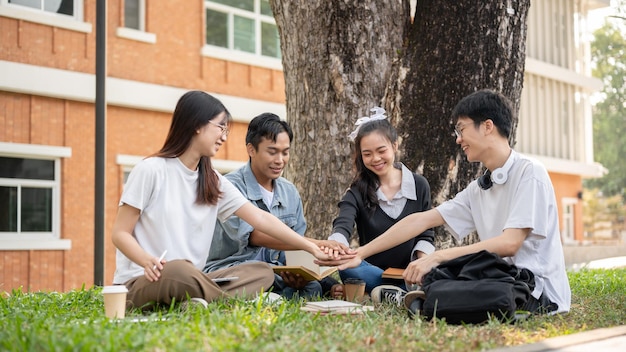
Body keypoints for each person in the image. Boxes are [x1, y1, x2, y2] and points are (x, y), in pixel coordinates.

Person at [325, 90, 571, 315]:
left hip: (535, 292)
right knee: (438, 274)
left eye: (461, 130)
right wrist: (360, 253)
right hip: (496, 279)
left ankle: (412, 299)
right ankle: (411, 296)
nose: (458, 139)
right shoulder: (480, 188)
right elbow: (422, 220)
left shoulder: (530, 172)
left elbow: (510, 244)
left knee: (442, 270)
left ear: (487, 126)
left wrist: (437, 256)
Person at [111, 91, 333, 310]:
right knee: (179, 271)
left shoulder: (212, 180)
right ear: (197, 125)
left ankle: (194, 301)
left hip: (193, 278)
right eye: (221, 127)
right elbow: (120, 233)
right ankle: (210, 298)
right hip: (144, 280)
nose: (224, 137)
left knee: (261, 273)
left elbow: (260, 218)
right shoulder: (151, 170)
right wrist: (146, 260)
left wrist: (311, 247)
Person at [204, 113, 346, 299]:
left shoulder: (289, 192)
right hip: (235, 268)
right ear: (251, 149)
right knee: (262, 274)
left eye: (285, 152)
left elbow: (293, 248)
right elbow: (256, 236)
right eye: (272, 152)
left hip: (276, 271)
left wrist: (298, 274)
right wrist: (317, 245)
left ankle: (278, 293)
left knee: (311, 288)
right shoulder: (230, 185)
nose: (280, 160)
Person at [327, 107, 436, 304]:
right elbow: (342, 225)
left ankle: (384, 293)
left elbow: (426, 235)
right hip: (369, 270)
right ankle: (399, 293)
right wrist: (337, 247)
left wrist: (422, 266)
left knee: (438, 270)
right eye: (367, 154)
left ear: (394, 145)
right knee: (350, 267)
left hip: (409, 272)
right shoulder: (357, 191)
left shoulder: (419, 185)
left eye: (381, 150)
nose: (375, 159)